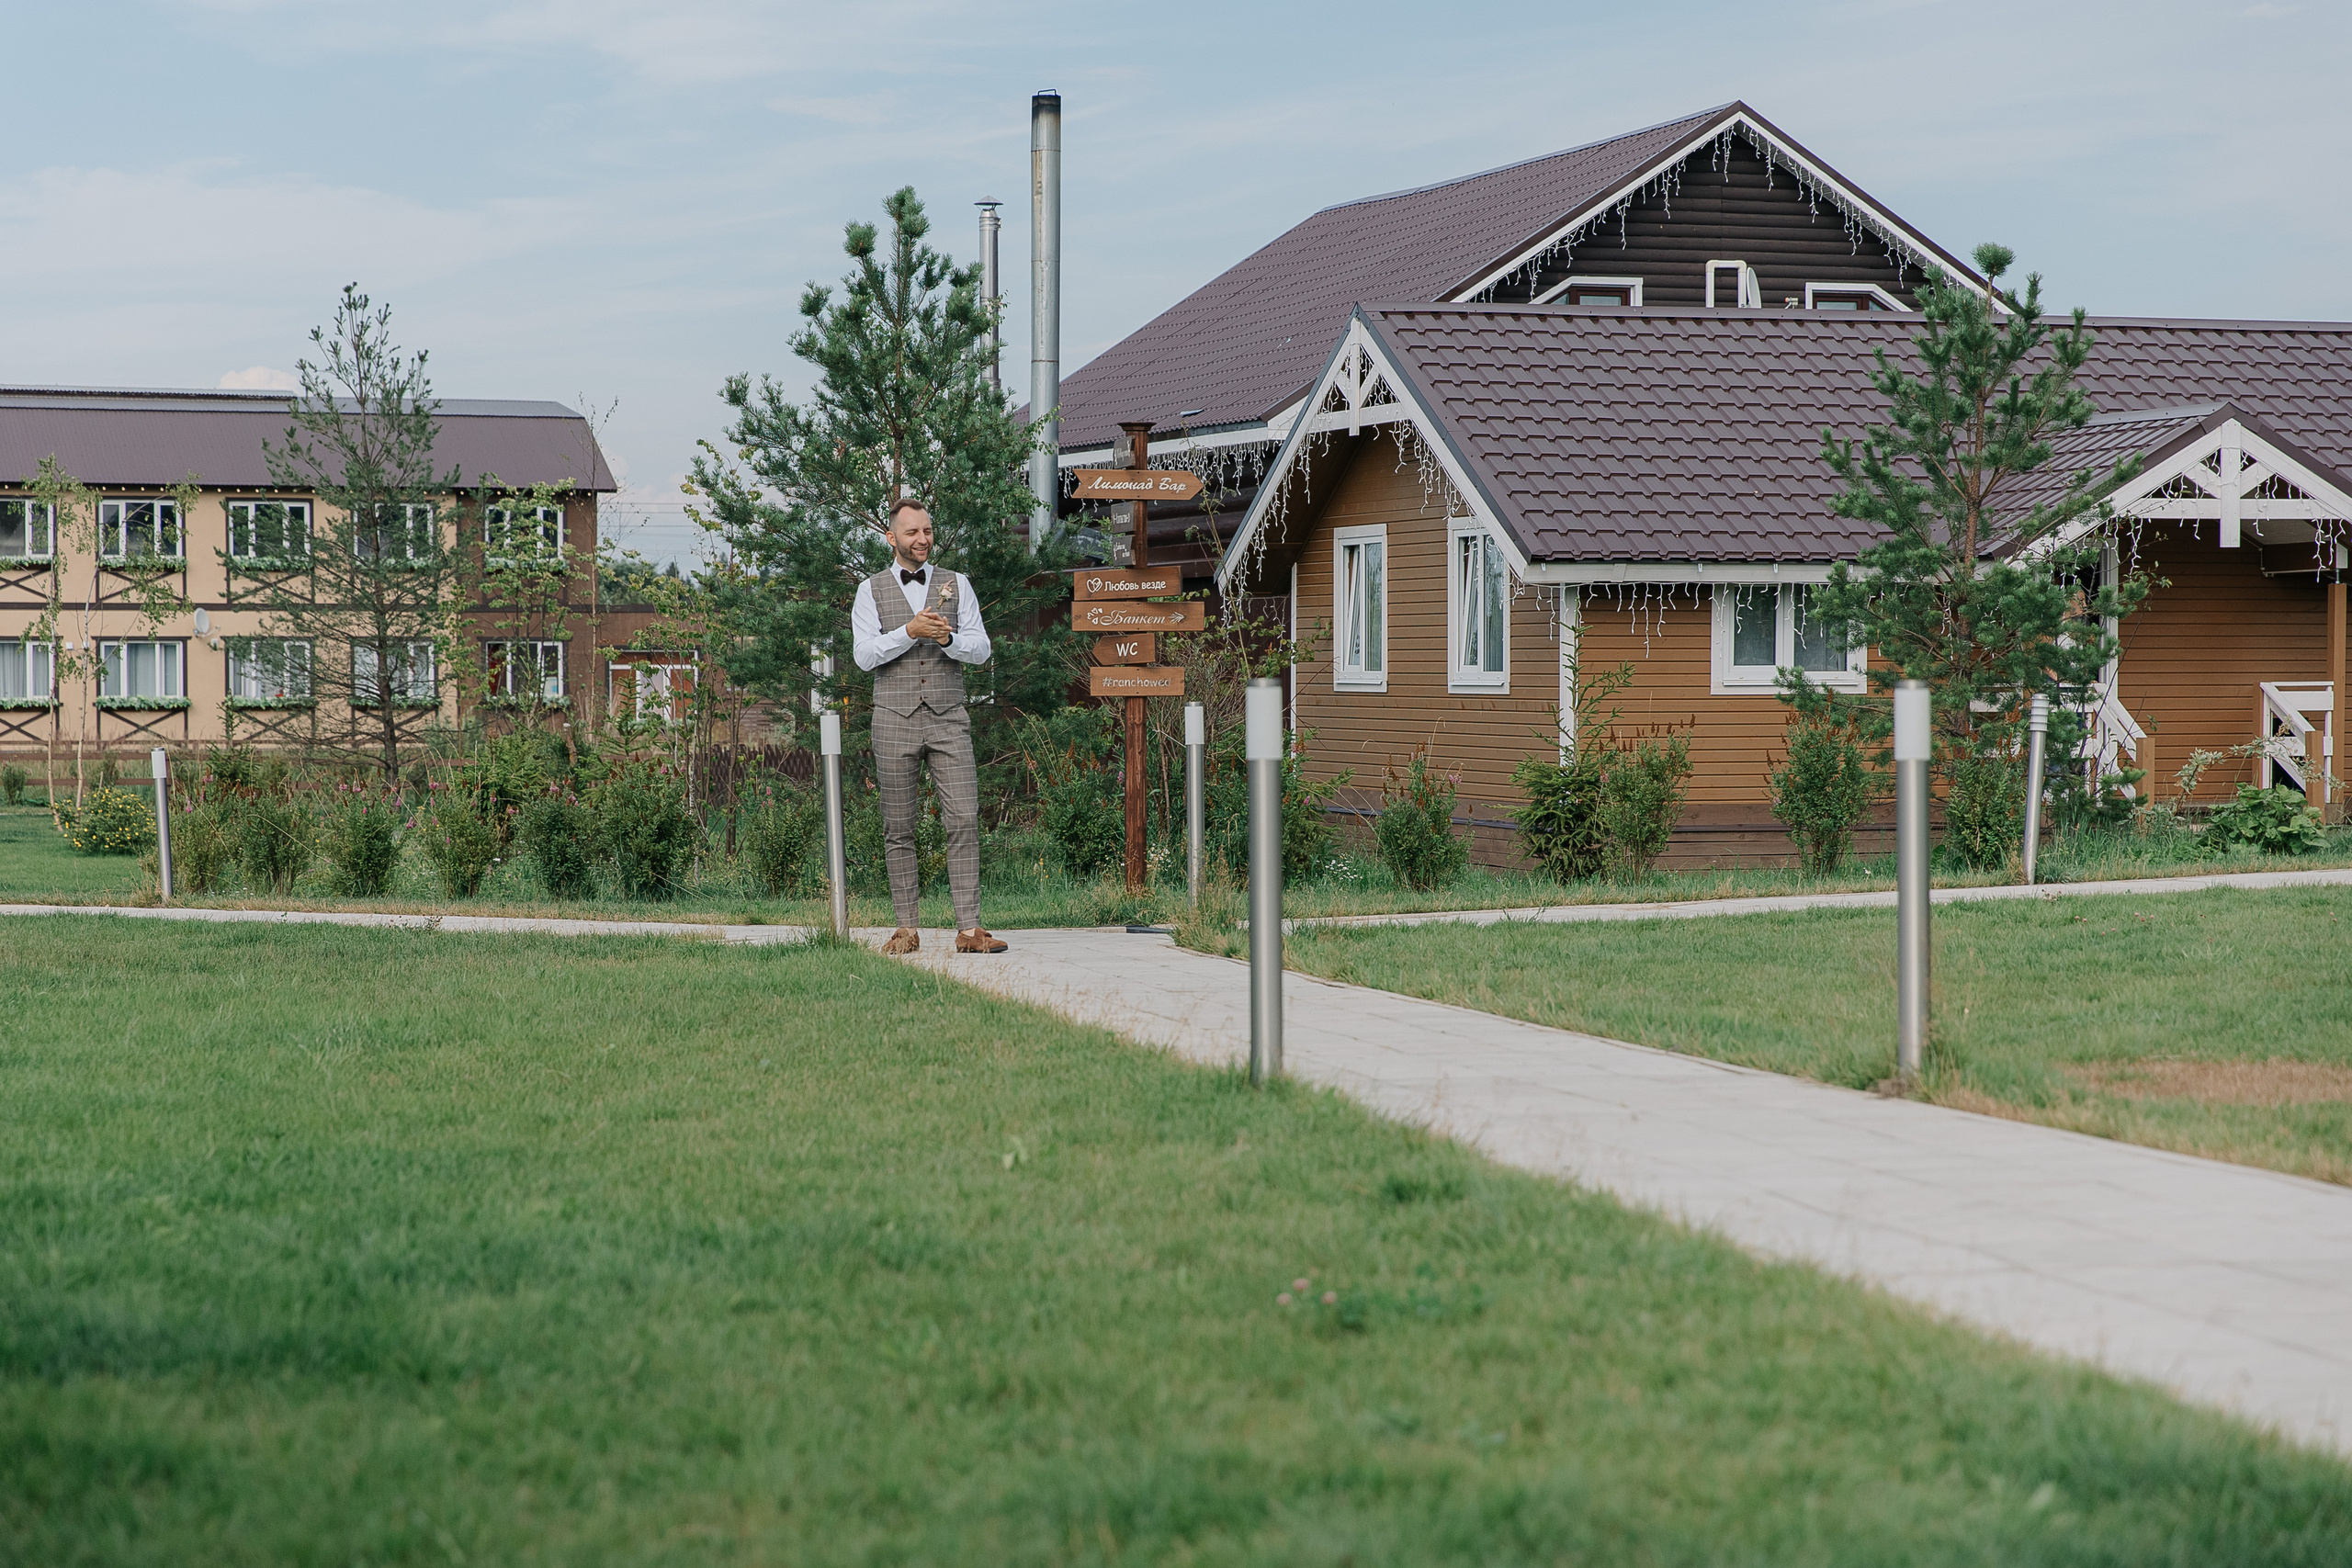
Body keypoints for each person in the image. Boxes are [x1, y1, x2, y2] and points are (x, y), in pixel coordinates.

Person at [850, 497, 1007, 955]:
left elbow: (982, 649)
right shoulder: (869, 590)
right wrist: (909, 632)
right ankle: (906, 928)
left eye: (927, 531)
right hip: (892, 719)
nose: (922, 539)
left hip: (948, 717)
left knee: (964, 818)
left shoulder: (957, 583)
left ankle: (970, 929)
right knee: (899, 827)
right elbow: (863, 656)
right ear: (891, 538)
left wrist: (949, 638)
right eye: (912, 532)